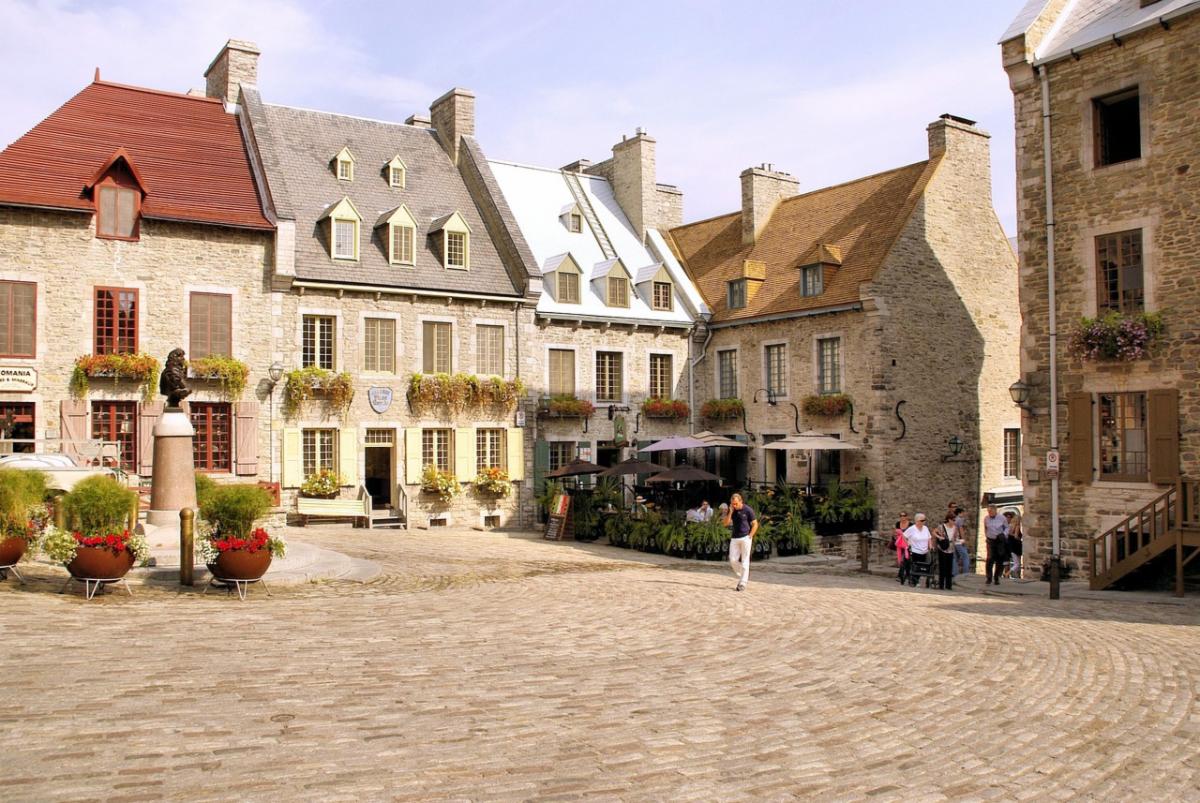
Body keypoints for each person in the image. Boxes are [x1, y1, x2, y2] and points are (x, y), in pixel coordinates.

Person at [722, 493, 758, 592]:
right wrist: (730, 512)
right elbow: (725, 524)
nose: (734, 505)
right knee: (732, 559)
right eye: (732, 503)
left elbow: (755, 524)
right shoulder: (731, 510)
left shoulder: (748, 510)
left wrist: (750, 535)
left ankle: (743, 582)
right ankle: (743, 574)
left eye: (736, 504)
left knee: (745, 560)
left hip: (746, 537)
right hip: (735, 538)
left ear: (741, 501)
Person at [903, 513, 932, 587]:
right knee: (915, 566)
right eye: (922, 520)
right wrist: (908, 543)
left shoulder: (925, 528)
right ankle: (914, 580)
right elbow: (904, 536)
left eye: (924, 520)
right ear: (917, 521)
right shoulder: (912, 529)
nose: (923, 522)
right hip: (915, 551)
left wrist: (930, 546)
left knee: (921, 567)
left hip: (924, 551)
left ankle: (916, 580)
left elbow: (929, 538)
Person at [982, 503, 1008, 585]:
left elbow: (1007, 528)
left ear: (995, 510)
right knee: (990, 558)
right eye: (988, 511)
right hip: (990, 540)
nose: (989, 513)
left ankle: (997, 577)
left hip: (999, 540)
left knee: (999, 559)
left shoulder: (1002, 518)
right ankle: (989, 578)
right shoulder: (986, 518)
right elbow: (985, 528)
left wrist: (1004, 534)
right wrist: (986, 536)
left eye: (991, 511)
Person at [934, 513, 957, 590]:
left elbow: (955, 538)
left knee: (949, 567)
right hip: (942, 548)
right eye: (953, 520)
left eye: (955, 520)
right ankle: (941, 585)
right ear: (949, 520)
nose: (954, 521)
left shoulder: (955, 528)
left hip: (951, 548)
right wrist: (940, 537)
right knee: (942, 567)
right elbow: (934, 532)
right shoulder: (942, 527)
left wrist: (957, 541)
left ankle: (948, 585)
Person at [1005, 510, 1024, 580]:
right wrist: (1020, 538)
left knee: (1016, 562)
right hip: (1016, 545)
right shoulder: (1017, 526)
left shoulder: (1010, 525)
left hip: (1010, 545)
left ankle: (1016, 576)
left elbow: (1008, 534)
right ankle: (1007, 573)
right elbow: (1016, 536)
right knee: (1017, 563)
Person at [953, 505, 971, 576]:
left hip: (954, 541)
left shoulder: (953, 519)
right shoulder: (959, 520)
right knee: (965, 557)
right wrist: (963, 540)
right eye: (963, 513)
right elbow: (961, 531)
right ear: (959, 513)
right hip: (959, 541)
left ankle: (955, 573)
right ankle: (965, 573)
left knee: (955, 558)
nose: (964, 514)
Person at [894, 512, 911, 584]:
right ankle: (906, 575)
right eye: (901, 515)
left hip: (907, 544)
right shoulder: (898, 524)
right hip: (900, 544)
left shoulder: (910, 525)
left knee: (906, 559)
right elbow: (895, 533)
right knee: (902, 560)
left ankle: (901, 575)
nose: (902, 517)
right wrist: (896, 535)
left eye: (904, 515)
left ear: (907, 516)